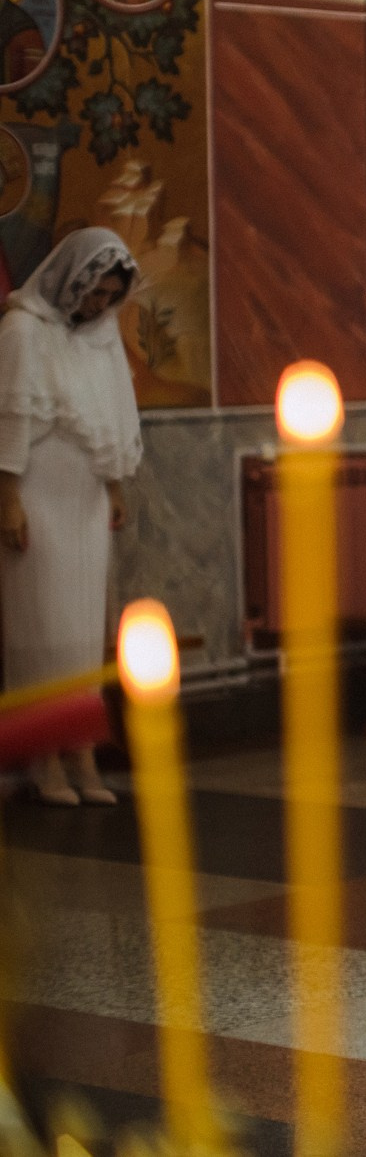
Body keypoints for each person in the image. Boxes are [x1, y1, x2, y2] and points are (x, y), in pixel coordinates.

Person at [0, 230, 139, 807]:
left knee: (82, 632)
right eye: (93, 292)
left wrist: (112, 488)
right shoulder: (23, 330)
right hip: (37, 495)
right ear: (69, 280)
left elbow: (109, 414)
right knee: (42, 629)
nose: (99, 304)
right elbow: (10, 417)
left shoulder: (102, 338)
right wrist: (8, 497)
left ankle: (80, 750)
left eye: (110, 295)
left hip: (84, 499)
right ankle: (42, 756)